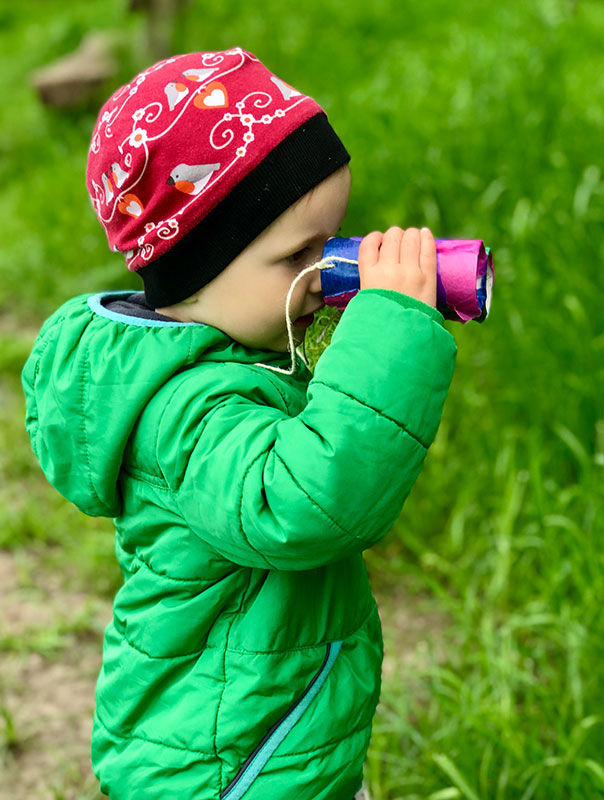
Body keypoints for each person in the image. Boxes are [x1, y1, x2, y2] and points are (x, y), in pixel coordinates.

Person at [21, 47, 457, 800]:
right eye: (301, 254)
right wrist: (391, 331)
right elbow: (304, 500)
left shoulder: (219, 357)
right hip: (220, 761)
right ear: (198, 270)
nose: (328, 269)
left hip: (259, 735)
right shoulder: (185, 411)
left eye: (334, 239)